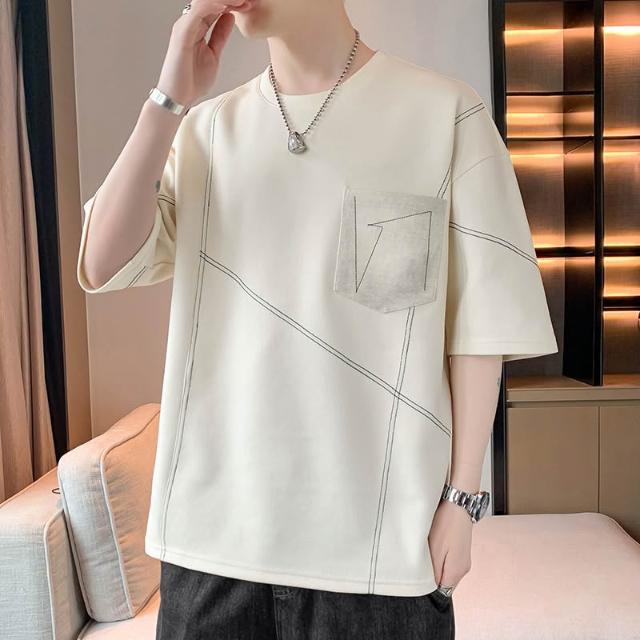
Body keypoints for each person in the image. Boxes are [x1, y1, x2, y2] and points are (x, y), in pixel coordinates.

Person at [76, 0, 558, 638]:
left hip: (378, 557)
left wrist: (462, 500)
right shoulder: (204, 130)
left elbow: (480, 330)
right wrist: (169, 99)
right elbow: (102, 261)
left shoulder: (444, 114)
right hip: (211, 550)